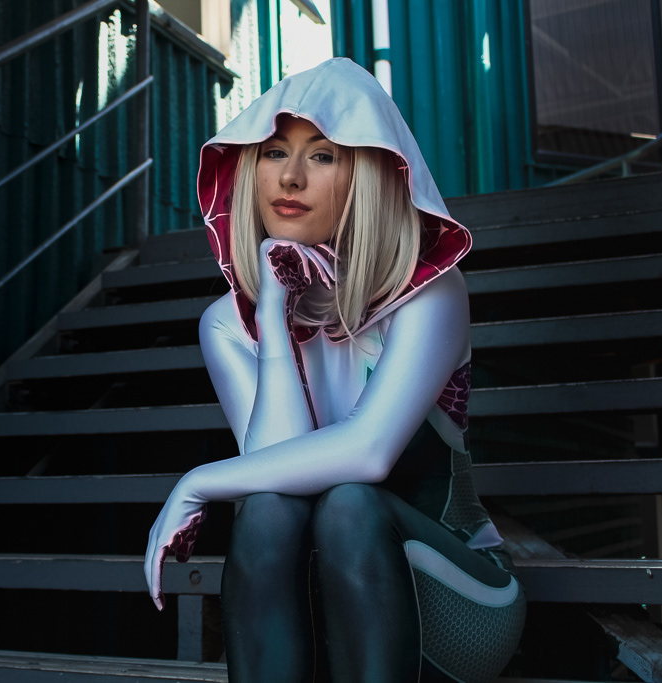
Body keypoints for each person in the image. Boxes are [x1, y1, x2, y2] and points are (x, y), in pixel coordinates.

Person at [143, 58, 526, 682]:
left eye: (322, 156)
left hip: (454, 603)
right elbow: (275, 480)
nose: (290, 177)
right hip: (315, 610)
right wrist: (273, 315)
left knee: (350, 504)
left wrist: (197, 483)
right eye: (274, 152)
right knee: (267, 508)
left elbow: (369, 455)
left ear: (370, 174)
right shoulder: (226, 324)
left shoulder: (429, 293)